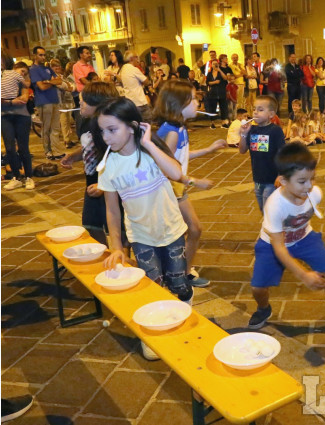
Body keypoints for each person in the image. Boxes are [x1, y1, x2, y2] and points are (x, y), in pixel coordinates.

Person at [94, 98, 192, 360]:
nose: (106, 137)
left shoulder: (149, 151)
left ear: (132, 126)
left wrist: (148, 142)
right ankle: (156, 335)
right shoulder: (108, 166)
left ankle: (183, 316)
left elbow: (177, 173)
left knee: (179, 283)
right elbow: (112, 210)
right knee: (152, 286)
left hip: (171, 230)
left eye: (112, 129)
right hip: (140, 236)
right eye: (102, 131)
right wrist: (117, 247)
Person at [245, 141, 325, 331]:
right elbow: (279, 247)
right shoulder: (275, 205)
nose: (309, 186)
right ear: (284, 181)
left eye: (312, 179)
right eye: (302, 181)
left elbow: (306, 193)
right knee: (257, 288)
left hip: (304, 238)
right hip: (272, 244)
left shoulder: (315, 193)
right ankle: (263, 308)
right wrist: (303, 275)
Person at [155, 79, 227, 287]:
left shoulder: (179, 128)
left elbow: (181, 155)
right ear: (178, 103)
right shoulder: (170, 132)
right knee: (182, 232)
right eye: (193, 99)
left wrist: (209, 149)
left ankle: (183, 272)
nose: (198, 102)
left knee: (193, 230)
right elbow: (165, 169)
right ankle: (175, 275)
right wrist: (195, 182)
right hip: (168, 190)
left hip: (177, 188)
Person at [60, 81, 121, 245]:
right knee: (91, 225)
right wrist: (75, 156)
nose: (80, 102)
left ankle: (120, 261)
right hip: (92, 182)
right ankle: (104, 257)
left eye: (84, 101)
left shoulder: (107, 129)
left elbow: (116, 157)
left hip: (110, 185)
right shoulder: (88, 122)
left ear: (99, 105)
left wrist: (104, 185)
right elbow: (90, 147)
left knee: (118, 230)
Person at [238, 96, 286, 212]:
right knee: (262, 209)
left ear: (271, 114)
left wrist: (281, 174)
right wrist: (244, 134)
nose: (255, 112)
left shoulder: (275, 130)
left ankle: (275, 229)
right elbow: (242, 150)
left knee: (269, 210)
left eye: (260, 109)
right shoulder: (251, 129)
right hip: (258, 178)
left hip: (272, 180)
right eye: (254, 109)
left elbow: (282, 153)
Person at [2, 61, 35, 190]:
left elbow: (24, 99)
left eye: (25, 73)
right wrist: (12, 101)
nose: (22, 74)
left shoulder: (22, 83)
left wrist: (6, 101)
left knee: (23, 148)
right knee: (9, 148)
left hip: (22, 117)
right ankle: (16, 177)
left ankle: (28, 177)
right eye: (21, 71)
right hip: (4, 117)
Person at [30, 46, 65, 160]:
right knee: (46, 127)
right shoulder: (33, 69)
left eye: (44, 55)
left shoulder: (48, 68)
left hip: (54, 100)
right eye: (40, 55)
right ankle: (48, 151)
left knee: (55, 127)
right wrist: (52, 82)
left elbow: (59, 81)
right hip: (44, 101)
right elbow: (41, 86)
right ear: (35, 55)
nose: (43, 57)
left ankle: (56, 151)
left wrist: (48, 81)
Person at [50, 59, 77, 149]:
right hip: (59, 102)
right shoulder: (52, 77)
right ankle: (66, 141)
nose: (57, 67)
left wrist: (67, 86)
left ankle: (68, 139)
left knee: (68, 121)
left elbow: (70, 87)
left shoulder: (61, 76)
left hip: (66, 101)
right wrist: (67, 86)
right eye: (55, 66)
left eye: (58, 65)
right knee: (64, 122)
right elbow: (64, 86)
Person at [120, 50, 152, 121]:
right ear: (131, 59)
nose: (138, 60)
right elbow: (147, 82)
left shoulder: (123, 69)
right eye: (136, 57)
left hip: (130, 101)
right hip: (139, 102)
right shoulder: (133, 69)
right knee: (147, 123)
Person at [205, 58, 230, 128]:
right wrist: (214, 82)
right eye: (213, 64)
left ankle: (223, 122)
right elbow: (207, 82)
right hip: (213, 93)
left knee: (223, 107)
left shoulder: (221, 72)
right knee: (212, 108)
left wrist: (219, 70)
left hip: (221, 92)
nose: (215, 65)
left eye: (216, 64)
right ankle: (212, 123)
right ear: (211, 65)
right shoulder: (209, 74)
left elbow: (225, 78)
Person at [285, 53, 303, 119]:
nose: (293, 59)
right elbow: (290, 74)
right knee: (291, 99)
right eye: (292, 57)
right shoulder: (287, 66)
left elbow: (301, 74)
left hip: (298, 85)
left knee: (298, 99)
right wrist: (296, 73)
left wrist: (295, 73)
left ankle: (298, 112)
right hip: (291, 85)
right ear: (289, 58)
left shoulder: (297, 66)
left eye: (294, 57)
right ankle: (291, 113)